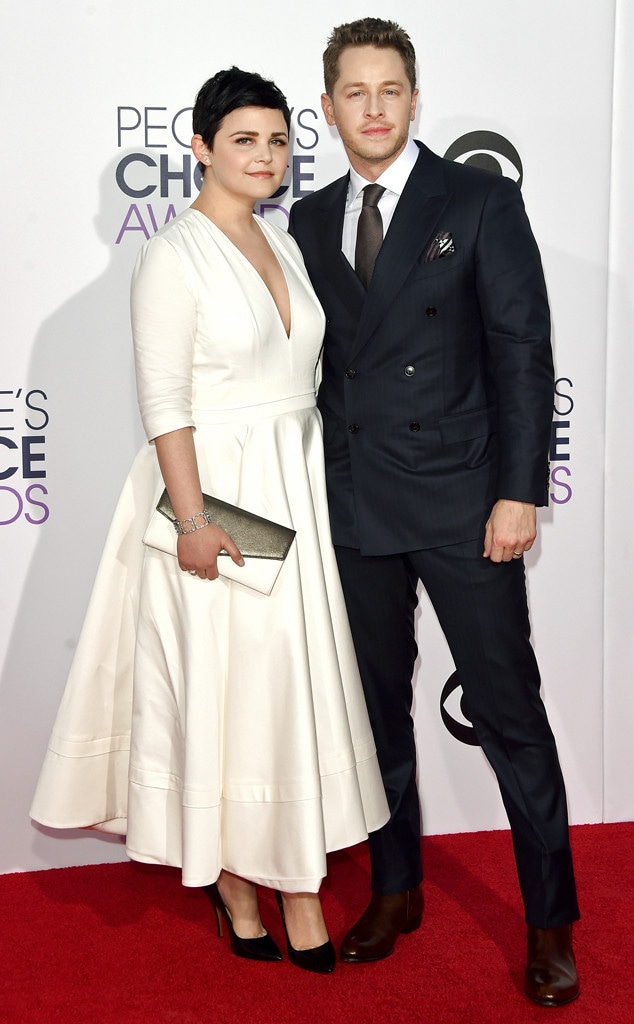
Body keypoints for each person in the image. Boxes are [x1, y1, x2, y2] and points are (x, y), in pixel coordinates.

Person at [30, 67, 389, 975]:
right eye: (244, 141)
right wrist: (190, 520)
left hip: (293, 486)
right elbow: (165, 403)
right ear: (199, 147)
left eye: (277, 140)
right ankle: (237, 883)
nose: (266, 156)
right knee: (227, 689)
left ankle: (297, 881)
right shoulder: (170, 255)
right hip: (215, 494)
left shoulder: (289, 243)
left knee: (285, 692)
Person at [289, 17, 580, 1005]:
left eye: (390, 89)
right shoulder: (307, 219)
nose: (372, 108)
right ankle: (396, 888)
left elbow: (521, 352)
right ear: (327, 108)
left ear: (414, 98)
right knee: (374, 717)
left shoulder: (480, 199)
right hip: (358, 505)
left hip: (465, 503)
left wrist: (519, 489)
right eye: (353, 93)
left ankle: (548, 922)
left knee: (509, 713)